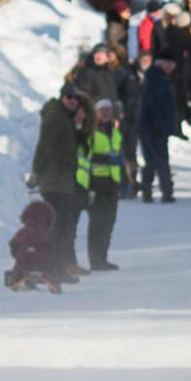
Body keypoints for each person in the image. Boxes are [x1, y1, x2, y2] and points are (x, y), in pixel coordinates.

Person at [31, 83, 89, 279]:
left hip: (63, 181)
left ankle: (58, 268)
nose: (72, 101)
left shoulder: (65, 117)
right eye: (68, 97)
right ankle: (53, 269)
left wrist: (78, 125)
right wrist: (36, 173)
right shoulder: (55, 117)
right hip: (54, 182)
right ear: (62, 98)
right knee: (59, 228)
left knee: (63, 227)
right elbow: (44, 147)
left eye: (75, 98)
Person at [84, 98, 125, 270]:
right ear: (96, 112)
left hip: (111, 184)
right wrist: (106, 159)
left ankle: (103, 257)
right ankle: (95, 259)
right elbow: (86, 155)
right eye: (102, 110)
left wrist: (123, 180)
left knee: (109, 222)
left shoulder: (115, 133)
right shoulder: (91, 132)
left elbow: (119, 157)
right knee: (97, 223)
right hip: (96, 183)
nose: (106, 113)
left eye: (108, 109)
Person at [139, 55, 178, 204]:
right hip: (153, 126)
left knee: (153, 160)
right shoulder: (156, 78)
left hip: (154, 125)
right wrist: (157, 124)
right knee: (159, 160)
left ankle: (148, 190)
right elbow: (152, 104)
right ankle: (165, 192)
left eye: (172, 64)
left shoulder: (160, 77)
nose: (170, 67)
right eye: (167, 63)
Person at [6, 200, 59, 293]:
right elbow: (51, 248)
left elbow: (13, 244)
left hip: (23, 261)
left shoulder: (21, 232)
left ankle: (14, 278)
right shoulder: (46, 234)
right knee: (51, 268)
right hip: (43, 262)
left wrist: (17, 255)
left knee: (18, 266)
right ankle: (53, 280)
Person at [115, 48, 143, 197]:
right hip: (123, 118)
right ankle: (125, 184)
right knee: (121, 151)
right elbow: (114, 92)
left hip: (134, 117)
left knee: (131, 152)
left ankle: (131, 182)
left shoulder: (136, 73)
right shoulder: (122, 72)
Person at [74, 43, 119, 108]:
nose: (97, 56)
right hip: (94, 113)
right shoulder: (87, 72)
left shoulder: (109, 73)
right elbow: (83, 96)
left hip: (109, 113)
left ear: (107, 58)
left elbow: (113, 96)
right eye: (95, 53)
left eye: (101, 54)